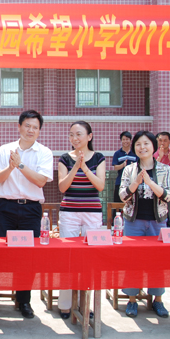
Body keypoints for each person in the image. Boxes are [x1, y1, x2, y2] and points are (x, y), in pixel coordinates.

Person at [0, 110, 53, 320]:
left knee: (27, 257)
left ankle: (24, 301)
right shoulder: (5, 149)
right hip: (6, 208)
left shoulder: (44, 152)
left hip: (31, 209)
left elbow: (41, 181)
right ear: (19, 127)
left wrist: (20, 165)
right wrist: (10, 167)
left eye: (35, 127)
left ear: (39, 131)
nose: (30, 130)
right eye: (27, 125)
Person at [119, 130, 170, 319]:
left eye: (146, 144)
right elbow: (123, 195)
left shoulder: (165, 169)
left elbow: (168, 196)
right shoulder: (129, 170)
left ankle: (157, 300)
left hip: (157, 222)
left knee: (158, 262)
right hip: (133, 222)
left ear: (153, 147)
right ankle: (132, 300)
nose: (142, 147)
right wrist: (136, 182)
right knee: (132, 261)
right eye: (138, 144)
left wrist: (150, 183)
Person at [57, 121, 105, 319]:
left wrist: (84, 167)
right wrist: (75, 166)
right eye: (71, 134)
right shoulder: (64, 158)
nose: (74, 138)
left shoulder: (99, 158)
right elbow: (62, 187)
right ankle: (65, 304)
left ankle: (86, 304)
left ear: (89, 136)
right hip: (69, 212)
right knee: (67, 256)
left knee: (90, 258)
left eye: (78, 134)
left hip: (92, 212)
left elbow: (100, 185)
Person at [112, 131, 138, 202]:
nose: (125, 141)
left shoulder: (135, 153)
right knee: (118, 203)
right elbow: (115, 167)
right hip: (120, 182)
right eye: (123, 139)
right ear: (121, 140)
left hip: (133, 182)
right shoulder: (117, 153)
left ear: (130, 140)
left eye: (127, 139)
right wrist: (123, 165)